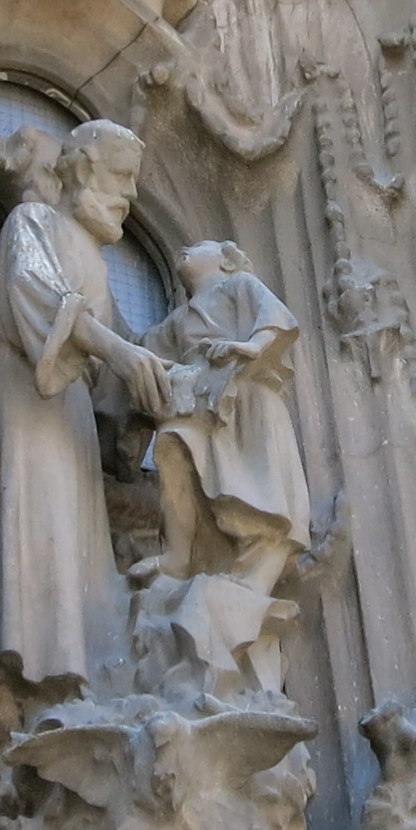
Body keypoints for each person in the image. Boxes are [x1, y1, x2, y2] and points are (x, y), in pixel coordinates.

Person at [0, 115, 144, 717]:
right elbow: (38, 295)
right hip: (24, 398)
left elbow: (121, 360)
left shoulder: (96, 264)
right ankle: (27, 683)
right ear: (82, 169)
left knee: (74, 550)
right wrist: (119, 353)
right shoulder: (32, 222)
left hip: (69, 413)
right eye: (122, 176)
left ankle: (71, 682)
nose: (131, 194)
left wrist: (170, 379)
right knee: (33, 528)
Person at [106, 241, 310, 690]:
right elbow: (143, 355)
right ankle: (180, 555)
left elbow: (274, 319)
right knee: (173, 446)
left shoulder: (239, 285)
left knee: (263, 495)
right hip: (199, 404)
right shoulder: (178, 321)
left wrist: (249, 346)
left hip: (248, 401)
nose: (185, 249)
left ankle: (251, 579)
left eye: (197, 247)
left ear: (226, 259)